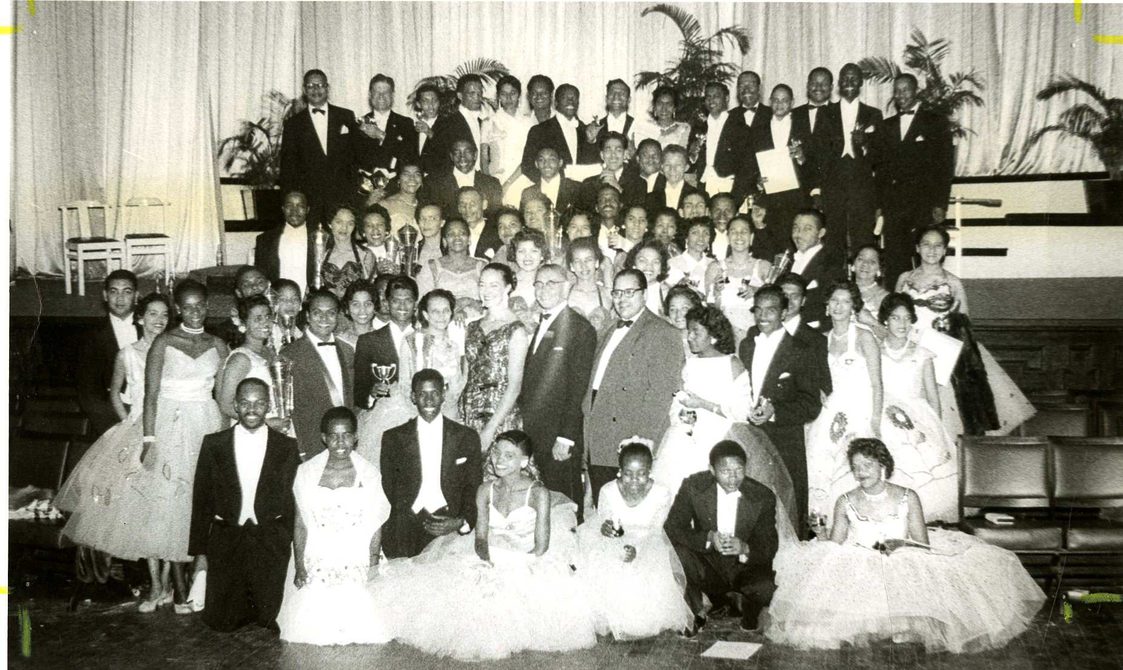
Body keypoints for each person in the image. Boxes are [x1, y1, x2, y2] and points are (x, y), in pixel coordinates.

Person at [766, 438, 1045, 652]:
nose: (861, 472)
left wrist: (899, 548)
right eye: (855, 467)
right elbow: (836, 544)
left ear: (883, 466)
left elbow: (921, 544)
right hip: (859, 558)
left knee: (912, 571)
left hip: (904, 556)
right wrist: (821, 534)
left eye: (867, 465)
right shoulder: (844, 500)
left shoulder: (908, 496)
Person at [374, 430, 595, 660]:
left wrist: (511, 568)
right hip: (491, 555)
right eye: (496, 452)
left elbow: (540, 547)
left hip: (527, 560)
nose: (499, 459)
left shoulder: (538, 493)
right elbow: (480, 538)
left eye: (509, 456)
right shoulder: (485, 489)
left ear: (524, 461)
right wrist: (486, 560)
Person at [57, 293, 171, 608]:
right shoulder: (127, 354)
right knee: (133, 505)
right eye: (151, 314)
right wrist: (128, 423)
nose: (157, 321)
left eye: (163, 315)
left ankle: (169, 585)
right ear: (140, 318)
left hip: (169, 429)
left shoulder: (172, 351)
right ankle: (145, 581)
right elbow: (115, 394)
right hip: (136, 430)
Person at [896, 225, 1035, 437]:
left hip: (941, 354)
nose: (931, 250)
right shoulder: (904, 278)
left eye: (938, 245)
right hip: (908, 348)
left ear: (944, 251)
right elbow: (893, 313)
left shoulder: (953, 282)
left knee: (944, 414)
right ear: (917, 248)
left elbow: (964, 322)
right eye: (926, 244)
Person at [139, 279, 227, 612]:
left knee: (200, 503)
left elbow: (225, 394)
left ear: (207, 307)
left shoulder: (218, 344)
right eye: (187, 306)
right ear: (178, 309)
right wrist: (149, 439)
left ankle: (195, 582)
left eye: (200, 306)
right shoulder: (163, 342)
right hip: (170, 426)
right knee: (171, 505)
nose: (194, 312)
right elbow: (150, 395)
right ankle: (176, 590)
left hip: (206, 423)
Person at [189, 378, 302, 632]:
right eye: (245, 403)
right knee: (222, 621)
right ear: (235, 406)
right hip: (227, 538)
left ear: (269, 405)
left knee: (270, 619)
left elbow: (292, 501)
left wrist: (288, 541)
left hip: (270, 539)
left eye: (259, 403)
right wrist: (200, 553)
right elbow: (202, 501)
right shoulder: (214, 444)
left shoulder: (286, 446)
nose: (252, 409)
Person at [276, 407, 392, 645]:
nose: (341, 442)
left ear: (356, 436)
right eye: (334, 436)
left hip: (356, 550)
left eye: (347, 435)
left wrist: (372, 563)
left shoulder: (369, 474)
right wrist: (299, 564)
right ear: (323, 438)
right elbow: (301, 523)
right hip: (318, 549)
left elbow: (375, 523)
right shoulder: (306, 472)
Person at [583, 269, 684, 504]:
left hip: (629, 440)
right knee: (604, 508)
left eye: (629, 292)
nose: (621, 299)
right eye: (617, 293)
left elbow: (661, 393)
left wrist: (642, 440)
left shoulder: (663, 332)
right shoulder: (608, 328)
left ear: (645, 294)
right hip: (598, 436)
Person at [575, 441, 693, 639]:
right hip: (615, 542)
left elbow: (656, 531)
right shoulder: (608, 490)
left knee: (645, 571)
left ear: (650, 471)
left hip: (649, 542)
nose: (635, 480)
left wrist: (637, 550)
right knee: (600, 560)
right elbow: (606, 522)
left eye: (642, 474)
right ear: (620, 471)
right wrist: (606, 529)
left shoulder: (662, 493)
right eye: (628, 473)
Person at [665, 441, 778, 636]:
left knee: (766, 589)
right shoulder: (693, 486)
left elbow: (769, 544)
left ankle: (747, 609)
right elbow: (672, 528)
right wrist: (708, 538)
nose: (733, 477)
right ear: (712, 469)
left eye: (739, 470)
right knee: (678, 552)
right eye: (725, 471)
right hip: (709, 566)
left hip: (745, 570)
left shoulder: (762, 496)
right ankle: (695, 612)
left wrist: (744, 548)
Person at [738, 286, 823, 534]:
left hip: (784, 440)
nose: (763, 316)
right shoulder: (747, 346)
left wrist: (775, 410)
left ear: (784, 312)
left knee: (786, 508)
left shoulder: (801, 350)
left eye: (771, 310)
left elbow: (811, 404)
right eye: (758, 310)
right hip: (750, 438)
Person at [379, 369, 483, 558]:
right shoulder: (393, 438)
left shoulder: (466, 437)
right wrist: (406, 517)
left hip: (449, 526)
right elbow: (390, 487)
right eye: (422, 394)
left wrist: (460, 521)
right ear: (412, 397)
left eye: (434, 393)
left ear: (444, 395)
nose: (428, 400)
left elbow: (473, 486)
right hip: (406, 528)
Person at [356, 286, 465, 465]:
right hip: (408, 411)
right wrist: (421, 416)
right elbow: (406, 384)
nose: (441, 316)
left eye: (446, 311)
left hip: (445, 411)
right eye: (435, 311)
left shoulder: (453, 346)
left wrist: (442, 412)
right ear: (425, 314)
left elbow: (455, 386)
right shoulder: (412, 341)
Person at [519, 264, 597, 508]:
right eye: (538, 284)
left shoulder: (580, 328)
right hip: (535, 432)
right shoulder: (540, 323)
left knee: (563, 503)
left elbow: (578, 389)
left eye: (551, 283)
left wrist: (566, 437)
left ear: (567, 286)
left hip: (558, 435)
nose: (543, 289)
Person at [877, 293, 958, 522]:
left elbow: (933, 398)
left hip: (917, 415)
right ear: (885, 320)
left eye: (906, 318)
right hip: (883, 413)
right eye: (895, 318)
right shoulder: (874, 352)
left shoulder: (923, 355)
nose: (902, 324)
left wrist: (938, 433)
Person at [806, 282, 883, 517]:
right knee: (823, 461)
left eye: (846, 301)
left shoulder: (864, 337)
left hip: (862, 408)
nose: (839, 306)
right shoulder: (820, 339)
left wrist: (876, 422)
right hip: (831, 411)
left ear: (854, 307)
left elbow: (877, 383)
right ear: (827, 306)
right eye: (834, 301)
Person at [653, 305, 750, 493]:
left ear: (713, 334)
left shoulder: (731, 364)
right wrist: (682, 415)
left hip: (718, 436)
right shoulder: (690, 364)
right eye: (689, 331)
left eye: (696, 332)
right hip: (685, 437)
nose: (689, 337)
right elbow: (678, 402)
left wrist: (703, 405)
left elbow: (742, 411)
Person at [870, 73, 955, 286]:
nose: (900, 95)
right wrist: (880, 205)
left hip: (923, 204)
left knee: (925, 256)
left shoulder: (935, 121)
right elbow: (880, 169)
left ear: (916, 91)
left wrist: (940, 204)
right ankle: (896, 303)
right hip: (894, 204)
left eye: (905, 89)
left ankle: (928, 297)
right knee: (895, 258)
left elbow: (944, 166)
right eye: (897, 91)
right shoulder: (886, 125)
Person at [815, 63, 883, 258]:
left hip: (861, 187)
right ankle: (834, 285)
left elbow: (879, 156)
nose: (849, 82)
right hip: (833, 185)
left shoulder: (874, 114)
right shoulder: (825, 113)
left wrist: (864, 145)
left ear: (861, 82)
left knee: (862, 238)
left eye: (854, 78)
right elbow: (820, 152)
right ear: (839, 83)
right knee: (832, 239)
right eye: (845, 78)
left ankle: (862, 285)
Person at [280, 289, 355, 459]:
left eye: (331, 313)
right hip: (311, 442)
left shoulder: (347, 350)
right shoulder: (290, 354)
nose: (324, 318)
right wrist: (300, 448)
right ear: (307, 315)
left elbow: (351, 399)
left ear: (338, 316)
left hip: (345, 441)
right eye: (317, 313)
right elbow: (289, 409)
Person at [460, 263, 529, 449]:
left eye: (493, 285)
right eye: (482, 284)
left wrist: (490, 429)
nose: (486, 291)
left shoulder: (517, 330)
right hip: (469, 412)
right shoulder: (472, 327)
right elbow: (466, 376)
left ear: (508, 288)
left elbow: (514, 387)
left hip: (500, 417)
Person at [279, 70, 357, 226]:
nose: (316, 89)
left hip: (342, 201)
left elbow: (354, 160)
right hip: (310, 202)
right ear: (304, 90)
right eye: (311, 85)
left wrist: (354, 196)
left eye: (320, 85)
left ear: (327, 88)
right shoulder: (293, 124)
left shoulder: (346, 116)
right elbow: (288, 168)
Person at [749, 85, 813, 262]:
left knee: (791, 246)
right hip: (768, 198)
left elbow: (814, 167)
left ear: (792, 103)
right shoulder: (758, 130)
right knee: (766, 246)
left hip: (795, 199)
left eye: (784, 100)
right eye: (775, 100)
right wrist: (757, 180)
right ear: (769, 102)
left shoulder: (803, 129)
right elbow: (750, 164)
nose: (779, 104)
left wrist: (801, 157)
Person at [77, 269, 140, 438]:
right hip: (112, 421)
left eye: (127, 292)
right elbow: (88, 394)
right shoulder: (91, 336)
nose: (120, 298)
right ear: (105, 295)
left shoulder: (150, 327)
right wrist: (117, 429)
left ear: (136, 295)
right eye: (114, 292)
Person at [215, 295, 288, 434]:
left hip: (277, 425)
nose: (265, 323)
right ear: (244, 324)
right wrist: (264, 423)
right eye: (258, 319)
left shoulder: (271, 353)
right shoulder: (240, 359)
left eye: (268, 317)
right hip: (251, 429)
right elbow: (226, 405)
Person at [521, 83, 599, 182]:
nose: (570, 101)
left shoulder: (587, 130)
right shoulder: (539, 130)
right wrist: (550, 185)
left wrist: (591, 142)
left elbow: (595, 166)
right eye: (565, 97)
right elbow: (528, 167)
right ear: (556, 102)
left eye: (574, 98)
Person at [713, 215, 771, 341]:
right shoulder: (715, 267)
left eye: (744, 232)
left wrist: (757, 292)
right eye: (734, 232)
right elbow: (711, 310)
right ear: (728, 237)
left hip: (755, 334)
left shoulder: (763, 266)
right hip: (725, 335)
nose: (739, 236)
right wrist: (716, 293)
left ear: (751, 237)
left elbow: (775, 301)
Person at [689, 80, 750, 201]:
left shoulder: (739, 127)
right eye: (708, 96)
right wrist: (693, 154)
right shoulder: (699, 127)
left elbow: (746, 165)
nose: (711, 100)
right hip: (704, 183)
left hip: (729, 184)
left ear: (726, 98)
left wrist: (737, 194)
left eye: (716, 96)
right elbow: (691, 159)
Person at [774, 272, 832, 398]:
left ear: (803, 301)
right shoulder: (758, 333)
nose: (788, 301)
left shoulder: (816, 341)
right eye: (784, 295)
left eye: (795, 296)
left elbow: (823, 387)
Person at [789, 208, 846, 331]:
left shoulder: (830, 263)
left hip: (814, 333)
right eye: (795, 228)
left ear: (821, 233)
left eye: (807, 229)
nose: (799, 234)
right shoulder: (788, 260)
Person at [354, 73, 419, 180]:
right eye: (377, 92)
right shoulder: (359, 123)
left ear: (392, 95)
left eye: (386, 92)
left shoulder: (405, 123)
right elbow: (354, 161)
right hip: (366, 188)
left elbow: (409, 156)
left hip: (396, 186)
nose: (381, 96)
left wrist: (381, 135)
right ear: (370, 94)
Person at [418, 140, 503, 221]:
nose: (462, 157)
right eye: (457, 153)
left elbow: (495, 219)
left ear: (475, 155)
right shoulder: (434, 182)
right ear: (451, 156)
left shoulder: (491, 184)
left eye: (467, 152)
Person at [421, 74, 488, 175]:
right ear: (460, 96)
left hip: (478, 180)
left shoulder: (482, 122)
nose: (477, 97)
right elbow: (434, 156)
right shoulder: (446, 121)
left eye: (479, 93)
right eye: (472, 93)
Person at [415, 218, 488, 311]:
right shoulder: (431, 267)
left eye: (462, 233)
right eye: (451, 234)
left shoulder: (482, 266)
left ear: (469, 239)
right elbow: (422, 303)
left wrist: (469, 301)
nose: (457, 237)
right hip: (442, 321)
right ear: (445, 241)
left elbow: (492, 301)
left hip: (477, 320)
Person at [481, 74, 532, 201]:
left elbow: (529, 156)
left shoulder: (529, 122)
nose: (508, 98)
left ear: (519, 95)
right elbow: (483, 157)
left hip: (523, 178)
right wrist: (489, 184)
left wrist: (508, 183)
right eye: (504, 94)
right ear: (498, 96)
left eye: (513, 93)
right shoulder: (489, 122)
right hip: (497, 180)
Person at [256, 190, 318, 294]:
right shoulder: (265, 239)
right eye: (289, 206)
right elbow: (260, 276)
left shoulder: (320, 238)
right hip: (277, 301)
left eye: (300, 206)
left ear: (307, 210)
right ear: (283, 209)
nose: (294, 211)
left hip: (311, 301)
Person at [579, 131, 646, 210]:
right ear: (602, 155)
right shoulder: (589, 184)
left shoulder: (639, 183)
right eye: (608, 150)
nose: (613, 155)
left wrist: (618, 188)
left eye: (618, 150)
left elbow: (637, 212)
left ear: (625, 154)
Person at [319, 204, 374, 298]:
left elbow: (370, 291)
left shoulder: (365, 254)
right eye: (339, 222)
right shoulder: (322, 254)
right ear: (330, 224)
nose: (344, 228)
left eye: (350, 223)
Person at [209, 265, 271, 347]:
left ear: (268, 285)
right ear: (238, 293)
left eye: (260, 282)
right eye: (247, 285)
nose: (254, 287)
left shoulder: (280, 320)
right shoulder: (226, 331)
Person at [565, 236, 613, 332]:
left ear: (596, 263)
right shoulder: (564, 294)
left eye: (588, 260)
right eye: (577, 261)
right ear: (572, 266)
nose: (583, 266)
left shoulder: (607, 294)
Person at [666, 217, 721, 296]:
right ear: (686, 238)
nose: (701, 238)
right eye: (695, 233)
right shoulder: (672, 264)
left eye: (706, 233)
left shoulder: (715, 265)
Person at [520, 146, 582, 214]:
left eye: (552, 159)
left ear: (560, 163)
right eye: (541, 160)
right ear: (536, 164)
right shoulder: (528, 193)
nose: (546, 164)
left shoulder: (577, 188)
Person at [507, 227, 548, 326]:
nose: (527, 256)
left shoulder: (549, 282)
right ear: (515, 255)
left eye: (534, 251)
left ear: (542, 255)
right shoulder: (507, 281)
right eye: (521, 251)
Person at [633, 85, 692, 152]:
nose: (664, 109)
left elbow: (682, 153)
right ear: (654, 107)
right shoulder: (645, 128)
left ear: (674, 108)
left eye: (668, 104)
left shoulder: (683, 128)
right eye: (660, 103)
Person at [644, 144, 701, 212]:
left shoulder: (698, 195)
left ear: (686, 167)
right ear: (662, 167)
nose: (672, 169)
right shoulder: (652, 198)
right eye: (668, 165)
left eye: (678, 165)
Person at [622, 238, 671, 315]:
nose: (649, 266)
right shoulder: (623, 291)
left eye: (655, 262)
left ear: (661, 269)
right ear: (633, 265)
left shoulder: (667, 293)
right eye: (642, 260)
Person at [585, 78, 636, 148]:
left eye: (622, 93)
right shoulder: (594, 127)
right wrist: (590, 141)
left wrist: (633, 156)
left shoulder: (637, 126)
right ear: (606, 98)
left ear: (629, 100)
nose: (616, 96)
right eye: (612, 93)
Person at [379, 162, 424, 233]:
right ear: (399, 180)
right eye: (406, 174)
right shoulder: (385, 205)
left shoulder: (424, 206)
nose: (412, 178)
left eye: (417, 174)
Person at [852, 244, 890, 325]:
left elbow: (892, 335)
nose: (865, 264)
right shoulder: (841, 292)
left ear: (879, 269)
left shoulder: (886, 298)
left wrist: (872, 322)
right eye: (861, 259)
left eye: (872, 262)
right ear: (853, 264)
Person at [334, 279, 378, 348]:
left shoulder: (382, 340)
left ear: (375, 308)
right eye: (356, 304)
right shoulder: (340, 341)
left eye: (368, 304)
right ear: (347, 309)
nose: (362, 310)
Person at [664, 284, 703, 357]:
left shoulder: (706, 342)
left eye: (684, 308)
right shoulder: (664, 343)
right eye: (673, 309)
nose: (678, 314)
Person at [411, 83, 442, 159]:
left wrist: (429, 132)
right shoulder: (412, 126)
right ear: (418, 104)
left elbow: (447, 151)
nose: (431, 106)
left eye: (434, 101)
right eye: (426, 101)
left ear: (439, 102)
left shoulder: (447, 124)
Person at [269, 278, 304, 347]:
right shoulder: (268, 337)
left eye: (295, 299)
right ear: (274, 304)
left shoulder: (303, 338)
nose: (290, 303)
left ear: (300, 304)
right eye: (283, 299)